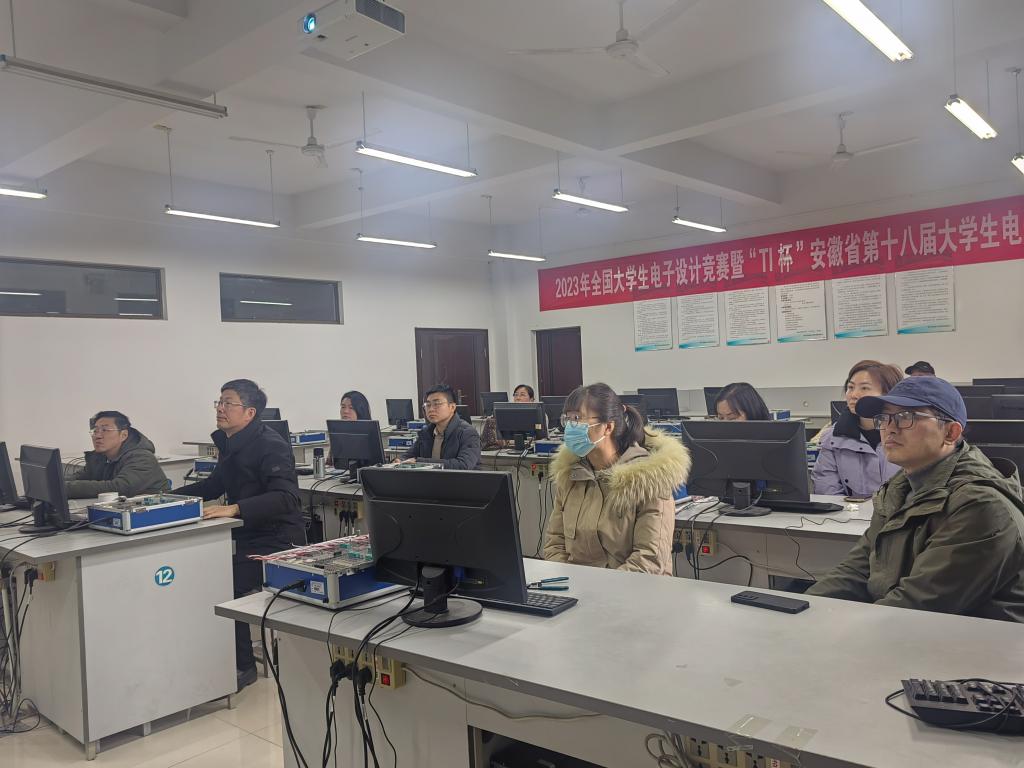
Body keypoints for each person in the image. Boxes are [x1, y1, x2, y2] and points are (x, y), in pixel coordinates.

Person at [806, 376, 1024, 622]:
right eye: (884, 418)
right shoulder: (900, 487)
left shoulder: (980, 505)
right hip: (916, 631)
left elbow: (917, 606)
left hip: (976, 641)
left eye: (905, 417)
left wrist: (833, 631)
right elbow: (857, 571)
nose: (889, 428)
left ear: (950, 432)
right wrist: (804, 610)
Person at [172, 379, 304, 689]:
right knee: (203, 570)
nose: (220, 408)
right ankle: (214, 655)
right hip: (246, 536)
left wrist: (235, 508)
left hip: (277, 541)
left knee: (222, 581)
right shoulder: (231, 444)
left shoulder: (270, 445)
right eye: (219, 402)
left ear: (249, 412)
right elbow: (213, 486)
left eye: (228, 403)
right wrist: (166, 498)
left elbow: (287, 498)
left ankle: (243, 666)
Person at [543, 383, 691, 575]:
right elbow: (554, 544)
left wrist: (597, 588)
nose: (570, 427)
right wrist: (569, 581)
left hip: (635, 588)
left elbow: (649, 560)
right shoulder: (572, 475)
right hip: (578, 586)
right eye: (568, 419)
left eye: (577, 419)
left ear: (608, 427)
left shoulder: (648, 480)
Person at [813, 360, 903, 497]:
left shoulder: (907, 433)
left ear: (888, 394)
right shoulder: (832, 438)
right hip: (849, 511)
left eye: (864, 388)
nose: (853, 395)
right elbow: (826, 491)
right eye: (850, 387)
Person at [65, 411, 168, 499]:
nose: (98, 436)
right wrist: (59, 483)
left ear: (123, 435)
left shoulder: (142, 457)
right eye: (95, 431)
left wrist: (67, 488)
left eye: (105, 430)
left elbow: (120, 488)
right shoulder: (100, 457)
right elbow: (79, 478)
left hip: (151, 511)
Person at [401, 384, 481, 469]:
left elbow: (463, 465)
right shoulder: (426, 432)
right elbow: (408, 455)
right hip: (429, 477)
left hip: (457, 478)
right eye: (428, 405)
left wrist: (421, 463)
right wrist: (399, 460)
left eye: (437, 404)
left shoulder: (467, 433)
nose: (431, 409)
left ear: (452, 407)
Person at [481, 384, 539, 450]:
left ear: (531, 399)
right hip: (506, 450)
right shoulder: (506, 414)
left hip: (531, 448)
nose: (518, 398)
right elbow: (499, 437)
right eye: (516, 395)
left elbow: (540, 437)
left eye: (522, 395)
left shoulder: (537, 414)